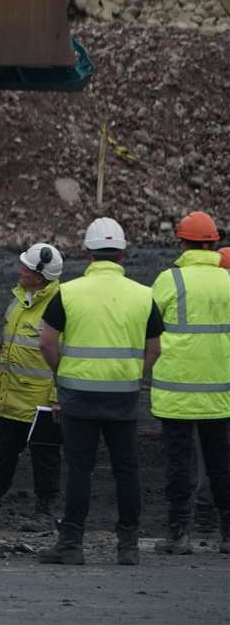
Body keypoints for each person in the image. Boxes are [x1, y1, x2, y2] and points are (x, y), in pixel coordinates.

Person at [36, 218, 163, 567]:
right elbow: (155, 348)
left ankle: (72, 543)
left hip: (78, 395)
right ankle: (128, 546)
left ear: (87, 253)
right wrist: (135, 375)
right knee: (127, 468)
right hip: (122, 396)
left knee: (79, 468)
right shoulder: (143, 294)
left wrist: (62, 375)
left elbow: (46, 342)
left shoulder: (69, 292)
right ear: (123, 253)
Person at [150, 211, 230, 555]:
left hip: (175, 392)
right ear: (214, 243)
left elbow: (147, 326)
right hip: (220, 393)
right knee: (222, 462)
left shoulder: (169, 280)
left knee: (180, 463)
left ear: (181, 242)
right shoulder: (228, 281)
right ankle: (227, 535)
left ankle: (179, 534)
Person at [0, 242, 64, 532]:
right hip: (10, 398)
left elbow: (65, 357)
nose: (20, 270)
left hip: (41, 405)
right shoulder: (18, 299)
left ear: (40, 277)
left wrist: (56, 397)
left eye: (26, 267)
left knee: (45, 459)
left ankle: (45, 511)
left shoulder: (59, 307)